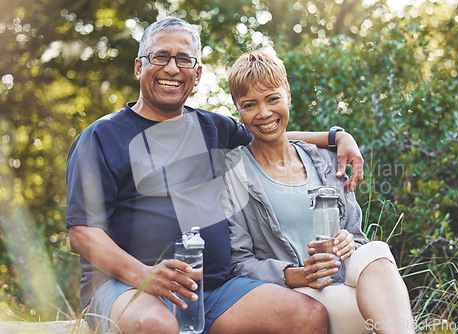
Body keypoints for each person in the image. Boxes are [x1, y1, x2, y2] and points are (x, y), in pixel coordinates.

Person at [65, 17, 365, 334]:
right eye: (160, 57)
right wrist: (144, 275)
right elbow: (83, 232)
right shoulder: (101, 137)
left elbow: (268, 131)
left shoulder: (213, 128)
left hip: (215, 290)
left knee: (306, 316)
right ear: (140, 67)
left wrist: (335, 137)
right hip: (127, 286)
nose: (171, 68)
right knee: (156, 326)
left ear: (197, 76)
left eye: (184, 59)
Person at [223, 49, 415, 334]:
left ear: (288, 95)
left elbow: (358, 238)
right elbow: (239, 262)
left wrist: (350, 243)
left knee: (377, 250)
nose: (264, 113)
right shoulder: (233, 172)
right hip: (294, 298)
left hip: (348, 284)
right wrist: (300, 275)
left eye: (273, 99)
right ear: (237, 108)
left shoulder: (326, 161)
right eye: (250, 104)